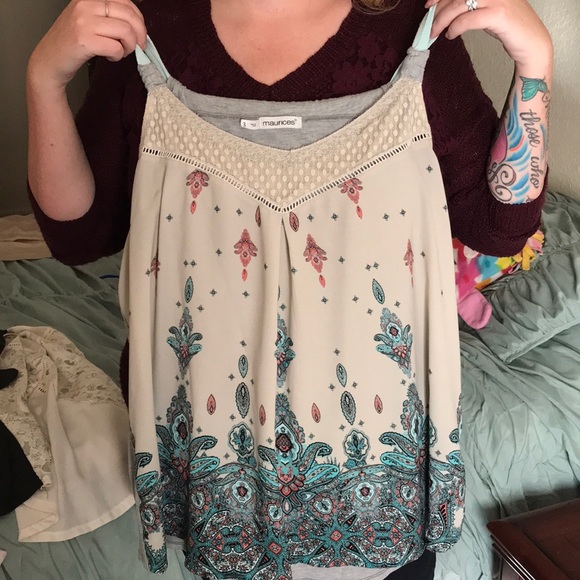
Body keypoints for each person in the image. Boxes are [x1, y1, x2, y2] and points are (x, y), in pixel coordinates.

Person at [26, 0, 553, 579]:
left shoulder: (413, 29)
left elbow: (499, 227)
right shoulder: (143, 25)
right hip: (215, 459)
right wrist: (44, 79)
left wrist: (534, 65)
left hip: (381, 470)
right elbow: (79, 236)